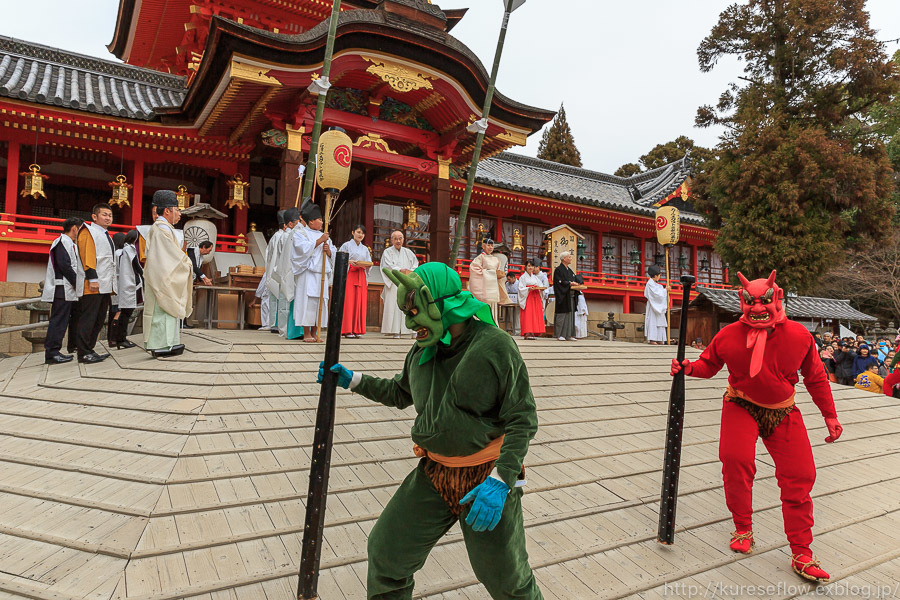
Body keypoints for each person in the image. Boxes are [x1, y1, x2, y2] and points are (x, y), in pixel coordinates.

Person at [319, 262, 543, 599]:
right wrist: (351, 380)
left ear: (440, 302)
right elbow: (400, 392)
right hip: (434, 472)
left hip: (486, 478)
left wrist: (501, 481)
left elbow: (523, 418)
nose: (411, 323)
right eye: (407, 313)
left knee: (507, 578)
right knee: (387, 552)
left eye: (415, 311)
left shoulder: (495, 346)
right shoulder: (423, 348)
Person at [671, 270, 842, 583]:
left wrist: (829, 415)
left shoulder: (800, 336)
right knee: (735, 460)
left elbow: (816, 378)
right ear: (742, 301)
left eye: (764, 300)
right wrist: (689, 367)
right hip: (741, 403)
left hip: (783, 409)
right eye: (751, 301)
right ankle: (743, 527)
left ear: (776, 300)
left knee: (801, 475)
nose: (758, 307)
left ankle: (802, 550)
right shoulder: (727, 335)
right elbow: (709, 364)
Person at [143, 190, 194, 358]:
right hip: (162, 279)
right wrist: (187, 262)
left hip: (163, 276)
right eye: (177, 210)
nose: (179, 214)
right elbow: (170, 257)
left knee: (166, 312)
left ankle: (169, 343)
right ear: (167, 211)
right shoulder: (161, 230)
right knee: (162, 311)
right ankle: (161, 345)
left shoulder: (163, 229)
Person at [72, 204, 116, 364]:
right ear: (94, 217)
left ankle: (89, 349)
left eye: (110, 215)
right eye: (104, 214)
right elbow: (87, 255)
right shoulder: (88, 231)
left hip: (104, 283)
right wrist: (92, 278)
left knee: (98, 318)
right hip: (93, 283)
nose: (108, 218)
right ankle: (83, 352)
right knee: (88, 318)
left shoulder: (105, 234)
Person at [291, 203, 335, 343]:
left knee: (320, 302)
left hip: (321, 273)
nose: (322, 222)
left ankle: (316, 332)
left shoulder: (325, 235)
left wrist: (328, 250)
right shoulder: (301, 233)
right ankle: (306, 333)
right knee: (308, 302)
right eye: (320, 219)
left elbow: (333, 252)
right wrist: (318, 242)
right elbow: (300, 250)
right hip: (308, 273)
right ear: (311, 221)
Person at [42, 217, 83, 365]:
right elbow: (65, 265)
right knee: (58, 321)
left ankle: (70, 346)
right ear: (75, 228)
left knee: (66, 320)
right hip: (62, 288)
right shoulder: (61, 242)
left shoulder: (69, 243)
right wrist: (77, 283)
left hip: (68, 288)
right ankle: (52, 352)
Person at [380, 230, 419, 338]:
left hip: (406, 283)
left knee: (408, 305)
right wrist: (399, 271)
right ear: (391, 240)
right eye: (395, 239)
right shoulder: (387, 252)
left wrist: (408, 272)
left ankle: (411, 331)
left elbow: (415, 265)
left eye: (400, 238)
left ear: (403, 239)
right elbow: (386, 266)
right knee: (394, 306)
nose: (398, 241)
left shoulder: (408, 252)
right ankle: (395, 331)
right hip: (393, 282)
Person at [109, 229, 142, 350]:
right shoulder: (129, 250)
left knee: (118, 312)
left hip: (118, 284)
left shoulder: (117, 252)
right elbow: (136, 267)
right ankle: (120, 339)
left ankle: (114, 339)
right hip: (126, 284)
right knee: (125, 313)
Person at [339, 224, 372, 339]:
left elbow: (369, 262)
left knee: (359, 302)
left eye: (362, 233)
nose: (360, 235)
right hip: (350, 274)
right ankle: (347, 329)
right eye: (358, 232)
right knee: (349, 302)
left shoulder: (365, 249)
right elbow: (339, 259)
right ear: (353, 232)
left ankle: (358, 329)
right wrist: (348, 262)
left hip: (361, 275)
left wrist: (367, 265)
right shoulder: (346, 245)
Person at [277, 208, 305, 340]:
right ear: (290, 224)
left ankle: (294, 330)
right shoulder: (288, 235)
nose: (300, 223)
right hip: (292, 270)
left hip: (296, 270)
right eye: (298, 221)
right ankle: (290, 330)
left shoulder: (297, 233)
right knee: (289, 302)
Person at [261, 210, 287, 333]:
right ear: (286, 225)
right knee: (279, 298)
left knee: (274, 299)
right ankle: (277, 324)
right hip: (278, 271)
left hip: (272, 271)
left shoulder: (275, 237)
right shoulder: (281, 237)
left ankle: (274, 323)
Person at [468, 238, 505, 323]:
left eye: (492, 245)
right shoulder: (480, 258)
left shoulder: (496, 259)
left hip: (493, 286)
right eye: (488, 245)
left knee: (493, 306)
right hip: (484, 287)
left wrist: (498, 275)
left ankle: (493, 324)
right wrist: (491, 273)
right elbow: (474, 270)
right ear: (483, 246)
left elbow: (497, 271)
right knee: (485, 305)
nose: (490, 247)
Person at [553, 251, 581, 341]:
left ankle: (569, 335)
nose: (570, 258)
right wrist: (569, 283)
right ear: (564, 259)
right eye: (569, 257)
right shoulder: (558, 270)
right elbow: (559, 282)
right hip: (563, 295)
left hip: (570, 296)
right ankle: (560, 334)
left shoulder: (569, 270)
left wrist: (576, 283)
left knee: (570, 315)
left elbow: (574, 279)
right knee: (562, 315)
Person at [518, 261, 545, 341]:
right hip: (528, 296)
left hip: (535, 296)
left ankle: (533, 331)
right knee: (528, 314)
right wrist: (528, 288)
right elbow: (520, 288)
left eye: (532, 266)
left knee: (535, 314)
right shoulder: (522, 277)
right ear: (525, 267)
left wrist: (539, 288)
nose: (530, 268)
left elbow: (540, 285)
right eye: (529, 266)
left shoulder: (535, 277)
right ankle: (527, 332)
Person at [643, 264, 667, 345]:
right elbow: (656, 295)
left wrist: (665, 290)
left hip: (658, 306)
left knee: (660, 322)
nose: (660, 276)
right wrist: (665, 291)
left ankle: (660, 338)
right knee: (653, 321)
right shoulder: (650, 284)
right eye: (659, 275)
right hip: (653, 306)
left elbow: (660, 292)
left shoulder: (657, 285)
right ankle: (652, 338)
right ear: (655, 275)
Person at [574, 274, 589, 339]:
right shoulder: (578, 294)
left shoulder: (580, 293)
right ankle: (577, 335)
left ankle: (580, 335)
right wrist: (583, 310)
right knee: (577, 324)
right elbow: (581, 303)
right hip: (578, 310)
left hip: (580, 311)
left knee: (581, 324)